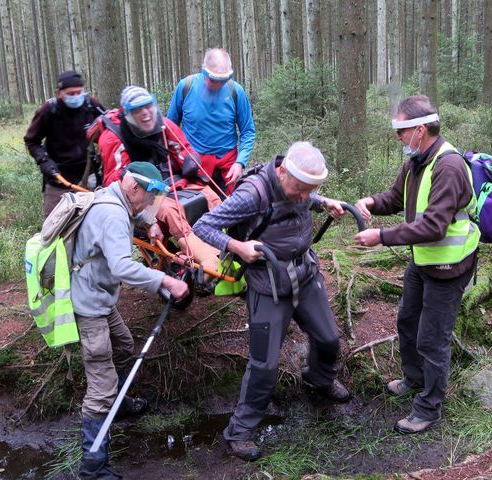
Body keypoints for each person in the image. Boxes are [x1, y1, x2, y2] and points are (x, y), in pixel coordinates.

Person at [193, 141, 350, 461]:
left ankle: (319, 379)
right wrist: (237, 246)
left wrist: (323, 201)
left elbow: (305, 196)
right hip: (268, 286)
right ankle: (240, 431)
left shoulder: (301, 189)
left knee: (329, 339)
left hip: (305, 275)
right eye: (300, 188)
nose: (305, 196)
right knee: (264, 365)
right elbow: (203, 226)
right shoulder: (253, 194)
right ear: (281, 173)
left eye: (312, 190)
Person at [354, 95, 480, 435]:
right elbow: (395, 199)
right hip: (423, 260)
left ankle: (429, 407)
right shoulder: (416, 161)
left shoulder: (448, 166)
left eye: (401, 130)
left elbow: (433, 226)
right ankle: (414, 379)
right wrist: (370, 202)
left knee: (432, 339)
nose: (397, 137)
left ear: (419, 129)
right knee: (407, 321)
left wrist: (380, 236)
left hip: (449, 267)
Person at [72, 161, 189, 479]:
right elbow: (123, 267)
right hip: (89, 305)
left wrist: (151, 222)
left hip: (98, 296)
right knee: (101, 387)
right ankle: (92, 467)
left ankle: (119, 405)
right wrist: (165, 281)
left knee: (123, 345)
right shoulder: (112, 214)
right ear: (133, 187)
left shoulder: (113, 195)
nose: (150, 203)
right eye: (149, 196)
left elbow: (136, 211)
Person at [94, 85, 222, 278]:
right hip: (142, 195)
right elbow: (119, 183)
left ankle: (221, 243)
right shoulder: (113, 138)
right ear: (127, 114)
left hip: (173, 183)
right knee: (172, 212)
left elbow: (183, 148)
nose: (146, 114)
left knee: (211, 196)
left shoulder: (164, 125)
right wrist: (150, 207)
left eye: (148, 107)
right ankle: (207, 260)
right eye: (138, 110)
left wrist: (190, 160)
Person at [167, 48, 256, 197]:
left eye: (222, 80)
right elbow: (170, 127)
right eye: (213, 79)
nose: (217, 84)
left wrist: (240, 162)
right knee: (195, 211)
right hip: (193, 165)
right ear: (204, 70)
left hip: (227, 167)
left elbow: (248, 131)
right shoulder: (186, 87)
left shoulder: (236, 92)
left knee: (229, 212)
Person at [24, 70, 104, 217]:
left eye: (79, 92)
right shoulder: (48, 110)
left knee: (93, 223)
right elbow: (31, 140)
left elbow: (110, 127)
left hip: (88, 177)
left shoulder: (91, 105)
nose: (75, 97)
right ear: (59, 92)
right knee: (53, 226)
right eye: (70, 93)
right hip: (58, 179)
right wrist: (44, 161)